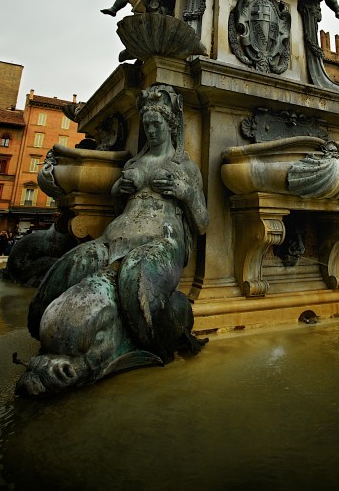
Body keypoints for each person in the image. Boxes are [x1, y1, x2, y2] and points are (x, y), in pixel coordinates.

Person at [19, 84, 210, 395]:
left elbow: (202, 223)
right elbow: (118, 209)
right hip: (115, 238)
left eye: (156, 124)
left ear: (171, 125)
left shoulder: (185, 168)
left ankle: (153, 343)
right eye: (146, 124)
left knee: (135, 271)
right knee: (76, 260)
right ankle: (41, 324)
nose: (150, 130)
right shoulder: (133, 165)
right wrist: (118, 190)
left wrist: (185, 193)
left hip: (161, 243)